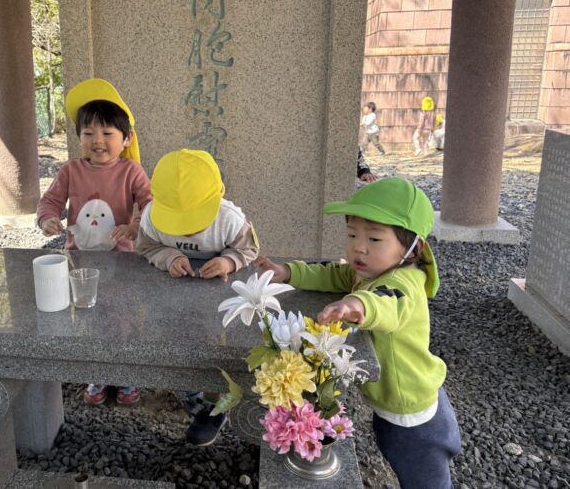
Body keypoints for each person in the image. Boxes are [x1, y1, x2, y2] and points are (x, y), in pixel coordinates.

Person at [256, 178, 461, 488]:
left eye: (375, 239)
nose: (359, 247)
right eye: (352, 234)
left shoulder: (403, 282)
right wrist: (289, 272)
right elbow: (335, 274)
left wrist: (356, 304)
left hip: (411, 412)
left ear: (413, 248)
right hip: (392, 401)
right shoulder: (372, 271)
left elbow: (386, 302)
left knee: (423, 477)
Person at [37, 78, 152, 407]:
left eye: (107, 133)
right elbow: (50, 202)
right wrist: (47, 219)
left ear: (126, 139)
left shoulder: (131, 171)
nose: (97, 140)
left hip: (121, 262)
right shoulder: (71, 170)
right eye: (88, 133)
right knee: (87, 318)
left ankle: (125, 375)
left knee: (122, 318)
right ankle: (97, 374)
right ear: (79, 138)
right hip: (80, 262)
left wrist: (134, 226)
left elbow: (150, 204)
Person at [136, 149, 259, 445]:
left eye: (195, 220)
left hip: (217, 298)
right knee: (173, 338)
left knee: (215, 348)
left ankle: (214, 405)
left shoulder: (229, 219)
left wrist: (228, 261)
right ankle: (191, 388)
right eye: (178, 222)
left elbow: (249, 249)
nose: (188, 230)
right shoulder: (152, 217)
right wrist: (168, 256)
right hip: (172, 296)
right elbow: (147, 246)